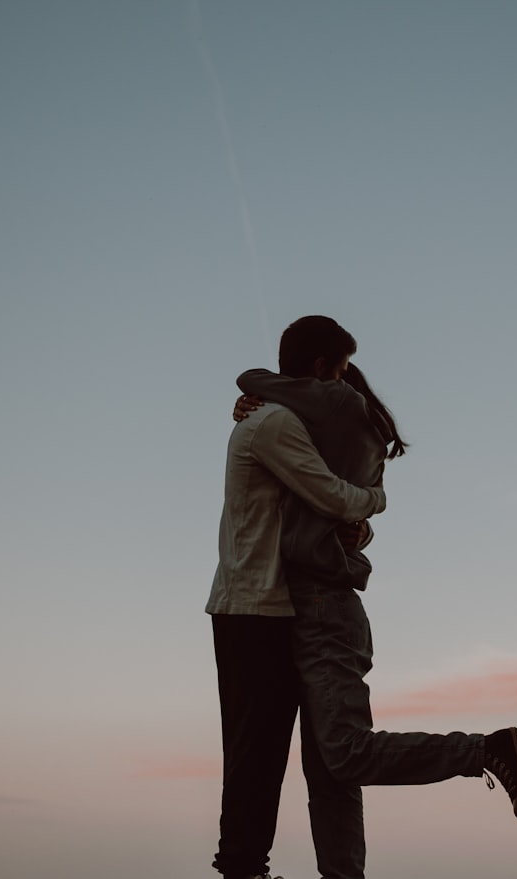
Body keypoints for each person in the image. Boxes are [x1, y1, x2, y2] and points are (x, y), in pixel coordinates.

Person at [235, 316, 517, 879]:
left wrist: (252, 392)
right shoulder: (329, 423)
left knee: (343, 753)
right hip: (306, 605)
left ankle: (483, 750)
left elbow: (252, 376)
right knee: (330, 776)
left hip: (323, 605)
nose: (342, 379)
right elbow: (339, 512)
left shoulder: (337, 405)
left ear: (317, 374)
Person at [207, 338, 388, 879]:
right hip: (254, 605)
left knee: (284, 755)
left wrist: (360, 527)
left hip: (275, 604)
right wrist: (375, 501)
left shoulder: (281, 421)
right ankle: (242, 868)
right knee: (255, 752)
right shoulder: (276, 425)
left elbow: (321, 511)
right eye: (343, 368)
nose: (346, 380)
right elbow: (330, 496)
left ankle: (254, 866)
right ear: (320, 368)